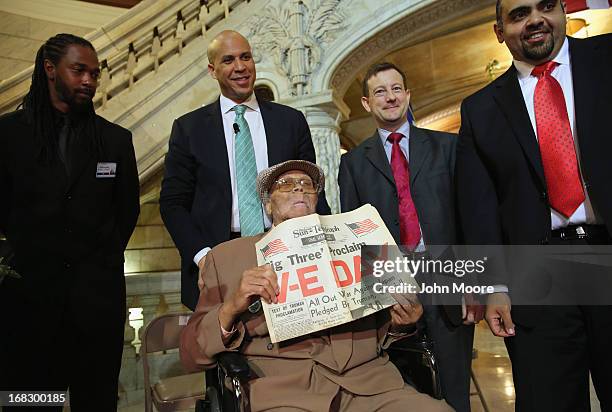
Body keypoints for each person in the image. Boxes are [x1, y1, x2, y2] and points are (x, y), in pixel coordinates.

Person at [180, 159, 451, 412]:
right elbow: (191, 354)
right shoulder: (227, 257)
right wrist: (230, 308)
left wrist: (401, 323)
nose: (299, 188)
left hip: (370, 386)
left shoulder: (356, 245)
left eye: (307, 185)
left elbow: (381, 331)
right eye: (285, 184)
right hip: (285, 394)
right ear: (268, 205)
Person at [455, 0, 612, 410]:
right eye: (519, 14)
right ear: (499, 31)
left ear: (562, 10)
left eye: (545, 6)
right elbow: (479, 208)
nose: (535, 20)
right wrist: (495, 286)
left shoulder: (606, 59)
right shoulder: (480, 109)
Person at [0, 33, 140, 411]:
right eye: (79, 71)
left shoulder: (114, 141)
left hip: (96, 308)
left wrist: (102, 262)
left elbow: (127, 211)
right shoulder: (8, 135)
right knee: (30, 403)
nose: (89, 81)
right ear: (50, 69)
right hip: (28, 308)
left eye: (94, 73)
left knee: (94, 402)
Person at [338, 62, 479, 412]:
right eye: (380, 92)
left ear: (408, 95)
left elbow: (468, 220)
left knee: (454, 388)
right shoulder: (354, 163)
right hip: (392, 294)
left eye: (396, 88)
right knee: (405, 391)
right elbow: (354, 236)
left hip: (448, 287)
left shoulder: (448, 147)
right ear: (368, 103)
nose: (390, 97)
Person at [160, 30, 330, 311]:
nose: (240, 67)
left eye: (245, 57)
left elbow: (313, 192)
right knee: (226, 346)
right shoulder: (189, 129)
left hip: (287, 251)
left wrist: (328, 244)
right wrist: (204, 257)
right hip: (219, 255)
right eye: (228, 60)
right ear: (212, 70)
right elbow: (173, 203)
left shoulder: (290, 121)